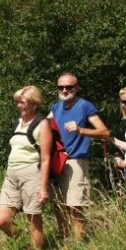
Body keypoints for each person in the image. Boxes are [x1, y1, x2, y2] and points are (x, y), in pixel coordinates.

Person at [49, 72, 109, 239]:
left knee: (75, 206)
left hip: (76, 161)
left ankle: (78, 246)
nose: (65, 90)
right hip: (57, 162)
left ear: (76, 88)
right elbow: (46, 127)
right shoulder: (55, 107)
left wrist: (80, 130)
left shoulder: (85, 106)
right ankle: (63, 239)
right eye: (61, 87)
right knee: (58, 205)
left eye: (68, 87)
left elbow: (104, 132)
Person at [0, 86, 52, 249]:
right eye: (18, 102)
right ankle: (22, 241)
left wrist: (43, 188)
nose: (19, 105)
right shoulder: (17, 123)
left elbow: (46, 158)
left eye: (22, 102)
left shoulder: (42, 124)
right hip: (11, 174)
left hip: (32, 173)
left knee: (34, 220)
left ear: (34, 104)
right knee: (1, 220)